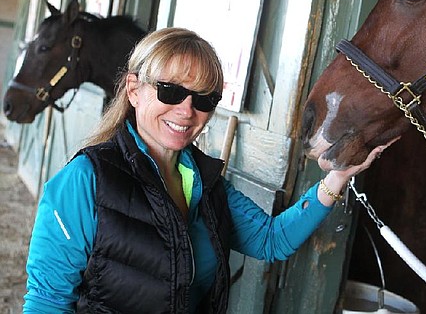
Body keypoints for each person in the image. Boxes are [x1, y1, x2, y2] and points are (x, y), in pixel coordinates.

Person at [23, 27, 394, 313]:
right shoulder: (86, 180)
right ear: (134, 90)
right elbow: (47, 302)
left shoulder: (206, 182)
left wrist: (338, 178)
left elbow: (271, 240)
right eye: (170, 91)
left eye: (204, 99)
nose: (187, 111)